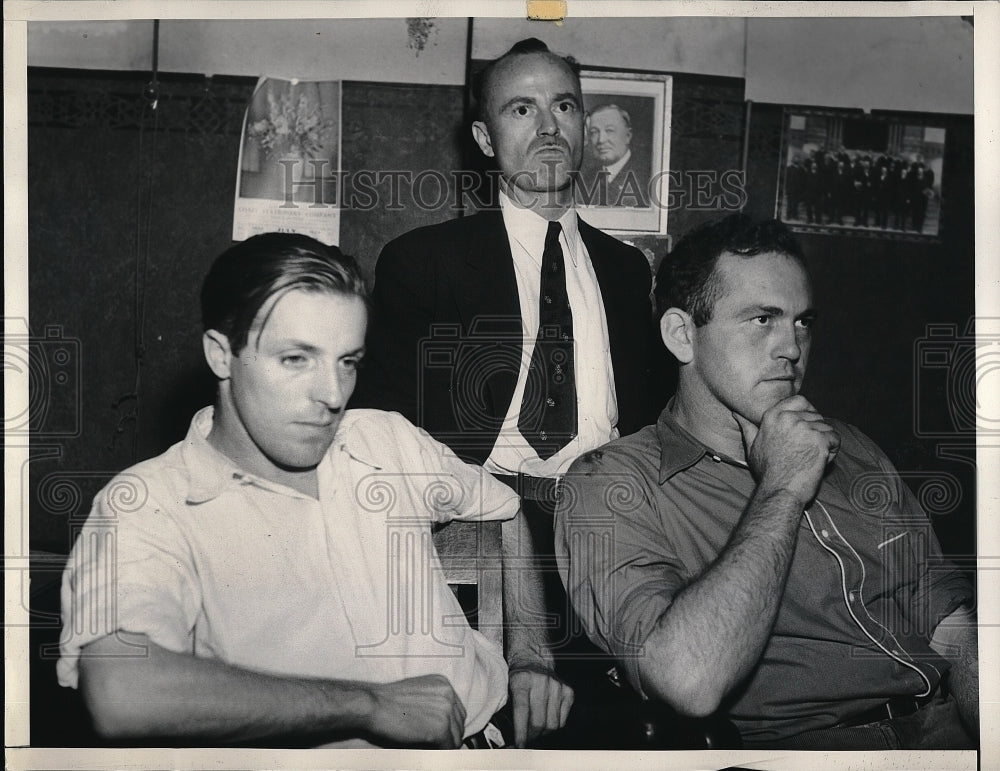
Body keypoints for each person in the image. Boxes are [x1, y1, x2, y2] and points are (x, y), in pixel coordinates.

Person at [57, 233, 554, 749]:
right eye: (296, 359)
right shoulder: (149, 502)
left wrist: (532, 657)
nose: (333, 395)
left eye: (348, 361)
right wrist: (369, 704)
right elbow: (122, 691)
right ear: (220, 354)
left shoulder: (385, 439)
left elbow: (505, 510)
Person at [555, 214, 978, 750]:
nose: (792, 348)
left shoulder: (852, 446)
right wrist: (781, 488)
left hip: (950, 728)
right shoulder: (611, 483)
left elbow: (950, 622)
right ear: (682, 335)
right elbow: (688, 680)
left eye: (802, 322)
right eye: (762, 320)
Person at [352, 38, 666, 744]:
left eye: (564, 106)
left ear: (585, 127)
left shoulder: (625, 272)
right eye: (521, 108)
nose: (548, 127)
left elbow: (648, 429)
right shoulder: (425, 263)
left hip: (605, 533)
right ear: (486, 138)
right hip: (470, 536)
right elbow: (380, 434)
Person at [581, 103, 650, 207]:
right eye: (594, 132)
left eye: (609, 131)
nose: (601, 140)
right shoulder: (585, 180)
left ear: (628, 136)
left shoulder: (648, 177)